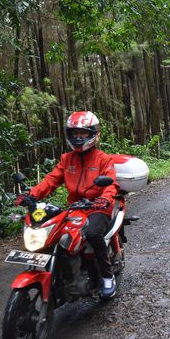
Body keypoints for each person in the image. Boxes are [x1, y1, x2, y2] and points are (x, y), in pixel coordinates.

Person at [14, 111, 119, 298]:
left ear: (93, 133)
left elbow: (111, 184)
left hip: (98, 206)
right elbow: (50, 180)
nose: (78, 137)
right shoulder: (66, 159)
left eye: (83, 133)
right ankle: (61, 275)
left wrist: (105, 199)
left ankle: (106, 276)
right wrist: (30, 194)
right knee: (54, 234)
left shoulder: (103, 159)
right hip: (75, 207)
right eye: (75, 133)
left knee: (94, 234)